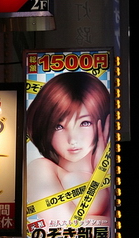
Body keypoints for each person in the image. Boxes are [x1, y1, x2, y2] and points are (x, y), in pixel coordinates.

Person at [26, 72, 111, 225]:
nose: (72, 139)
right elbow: (66, 228)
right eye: (59, 126)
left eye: (84, 123)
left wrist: (103, 166)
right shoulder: (40, 169)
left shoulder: (109, 170)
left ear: (104, 121)